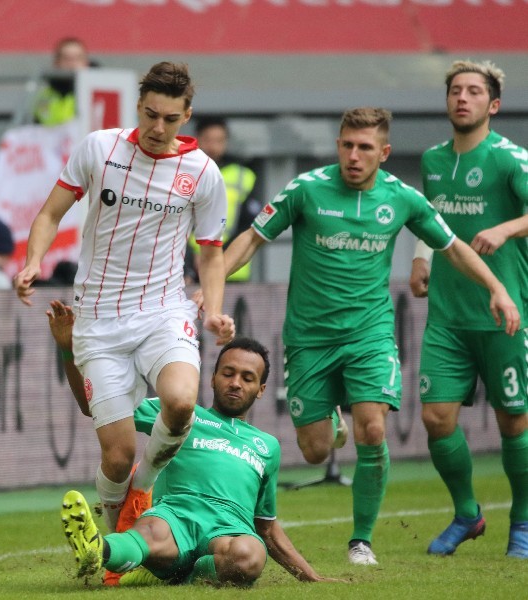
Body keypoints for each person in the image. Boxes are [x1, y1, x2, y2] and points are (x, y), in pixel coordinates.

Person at [221, 107, 520, 566]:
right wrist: (211, 287)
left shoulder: (403, 197)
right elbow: (251, 239)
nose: (354, 156)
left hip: (370, 334)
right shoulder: (307, 189)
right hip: (310, 339)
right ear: (338, 145)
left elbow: (453, 248)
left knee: (374, 429)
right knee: (315, 450)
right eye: (347, 145)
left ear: (384, 152)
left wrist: (497, 289)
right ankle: (332, 423)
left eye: (364, 148)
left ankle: (361, 540)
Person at [16, 61, 234, 584]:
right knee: (116, 456)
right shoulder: (100, 148)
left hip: (163, 310)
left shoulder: (203, 172)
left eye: (171, 118)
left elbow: (210, 252)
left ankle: (146, 487)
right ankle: (112, 548)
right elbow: (49, 214)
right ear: (139, 107)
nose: (159, 128)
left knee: (181, 402)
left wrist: (216, 307)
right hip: (96, 318)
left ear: (188, 115)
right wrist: (32, 262)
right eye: (150, 114)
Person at [47, 300, 337, 587]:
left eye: (247, 378)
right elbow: (95, 405)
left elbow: (267, 527)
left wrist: (311, 577)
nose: (235, 383)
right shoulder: (182, 412)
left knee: (250, 556)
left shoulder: (267, 445)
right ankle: (96, 550)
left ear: (260, 390)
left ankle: (189, 575)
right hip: (175, 517)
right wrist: (67, 349)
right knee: (149, 532)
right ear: (212, 379)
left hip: (229, 531)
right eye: (228, 373)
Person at [409, 60, 528, 559]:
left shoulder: (510, 158)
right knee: (437, 418)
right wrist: (420, 258)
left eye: (474, 91)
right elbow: (428, 216)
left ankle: (521, 522)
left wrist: (506, 228)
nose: (462, 98)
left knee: (513, 422)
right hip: (447, 317)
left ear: (493, 105)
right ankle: (467, 513)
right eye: (456, 90)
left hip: (504, 314)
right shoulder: (433, 159)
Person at [187, 117, 261, 283]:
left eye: (219, 141)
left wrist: (218, 256)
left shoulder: (243, 174)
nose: (213, 147)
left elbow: (249, 226)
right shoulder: (184, 172)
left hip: (232, 270)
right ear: (197, 138)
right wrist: (190, 257)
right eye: (208, 140)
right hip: (189, 269)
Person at [32, 37, 90, 126]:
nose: (72, 63)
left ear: (86, 63)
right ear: (56, 63)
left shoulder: (95, 95)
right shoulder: (43, 97)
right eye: (66, 58)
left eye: (77, 58)